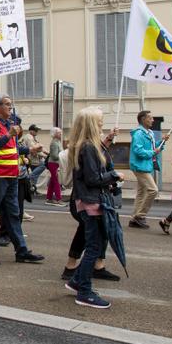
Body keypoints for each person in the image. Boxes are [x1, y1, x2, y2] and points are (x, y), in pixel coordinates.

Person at [64, 107, 125, 309]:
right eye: (99, 120)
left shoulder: (86, 145)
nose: (102, 122)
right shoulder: (88, 147)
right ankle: (84, 292)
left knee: (94, 245)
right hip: (92, 202)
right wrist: (114, 176)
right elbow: (92, 178)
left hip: (90, 201)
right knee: (94, 247)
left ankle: (76, 282)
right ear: (91, 124)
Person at [0, 93, 44, 266]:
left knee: (13, 214)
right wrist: (8, 135)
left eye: (10, 104)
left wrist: (30, 150)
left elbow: (13, 150)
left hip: (10, 177)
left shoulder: (8, 125)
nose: (11, 107)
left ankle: (22, 251)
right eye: (7, 104)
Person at [129, 110, 168, 228]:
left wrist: (162, 142)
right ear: (143, 120)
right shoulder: (139, 134)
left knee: (141, 193)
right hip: (139, 166)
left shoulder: (148, 132)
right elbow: (138, 151)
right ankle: (140, 216)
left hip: (145, 165)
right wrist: (153, 152)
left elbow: (152, 146)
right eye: (150, 118)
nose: (152, 120)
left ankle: (135, 218)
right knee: (153, 190)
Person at [23, 124, 47, 189]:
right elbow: (34, 149)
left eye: (37, 130)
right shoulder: (29, 137)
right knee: (44, 165)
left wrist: (46, 153)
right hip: (31, 158)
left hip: (34, 159)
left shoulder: (33, 137)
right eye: (35, 130)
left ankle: (33, 189)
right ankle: (29, 178)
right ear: (31, 131)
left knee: (35, 175)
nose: (37, 132)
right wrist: (44, 155)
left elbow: (39, 148)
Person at [45, 127, 64, 205]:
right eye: (59, 132)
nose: (61, 134)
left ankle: (49, 198)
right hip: (53, 164)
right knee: (56, 181)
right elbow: (54, 156)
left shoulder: (58, 142)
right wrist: (63, 155)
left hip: (55, 163)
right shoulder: (54, 143)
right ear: (55, 134)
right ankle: (58, 199)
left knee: (53, 181)